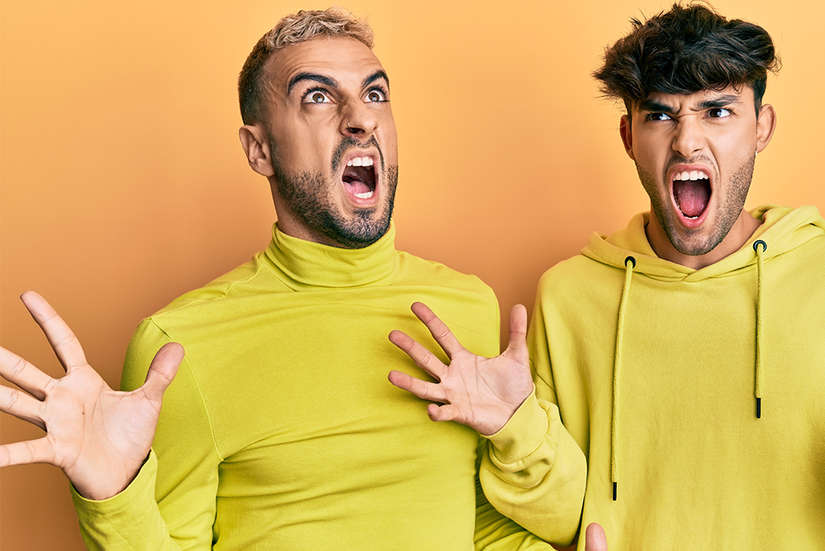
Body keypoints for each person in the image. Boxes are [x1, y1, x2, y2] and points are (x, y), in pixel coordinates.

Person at [387, 3, 825, 550]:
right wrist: (517, 430)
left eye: (717, 111)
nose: (687, 140)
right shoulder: (569, 297)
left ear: (761, 128)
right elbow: (561, 517)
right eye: (660, 114)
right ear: (628, 137)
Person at [0, 8, 561, 550]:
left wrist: (520, 428)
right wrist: (114, 496)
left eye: (375, 93)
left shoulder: (466, 308)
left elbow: (485, 530)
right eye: (318, 97)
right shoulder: (181, 347)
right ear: (259, 148)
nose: (361, 118)